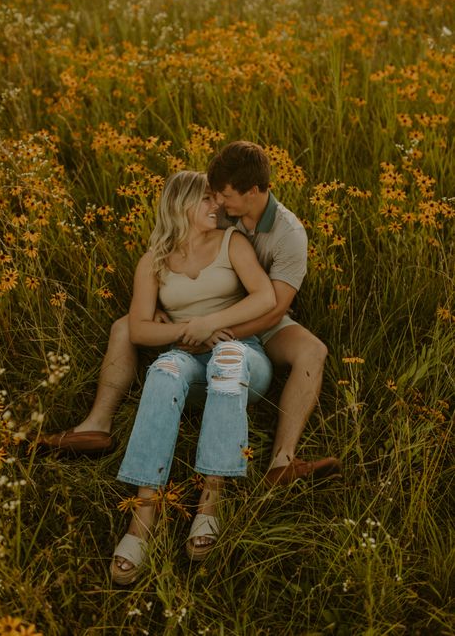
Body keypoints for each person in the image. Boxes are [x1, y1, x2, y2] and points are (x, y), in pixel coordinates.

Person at [36, 141, 341, 487]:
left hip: (260, 320)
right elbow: (184, 238)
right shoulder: (222, 211)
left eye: (224, 195)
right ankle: (97, 424)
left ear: (253, 192)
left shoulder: (288, 233)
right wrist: (176, 316)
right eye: (213, 196)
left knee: (312, 350)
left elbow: (273, 307)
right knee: (126, 326)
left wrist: (212, 329)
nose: (219, 203)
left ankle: (282, 460)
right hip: (209, 315)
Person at [109, 170, 276, 584]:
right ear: (179, 204)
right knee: (162, 371)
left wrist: (211, 324)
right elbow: (141, 329)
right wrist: (187, 332)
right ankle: (143, 515)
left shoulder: (231, 243)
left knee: (227, 360)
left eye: (215, 199)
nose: (216, 205)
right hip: (187, 356)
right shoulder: (154, 260)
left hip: (243, 356)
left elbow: (265, 296)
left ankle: (210, 500)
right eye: (205, 199)